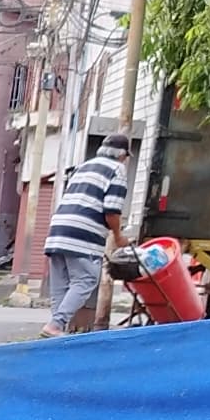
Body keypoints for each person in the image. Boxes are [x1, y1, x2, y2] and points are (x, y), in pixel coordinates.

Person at [40, 133, 136, 335]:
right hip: (83, 233)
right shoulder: (117, 170)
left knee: (61, 284)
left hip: (58, 229)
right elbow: (111, 211)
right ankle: (56, 325)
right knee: (86, 280)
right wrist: (118, 236)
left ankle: (55, 331)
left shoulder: (83, 166)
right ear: (122, 155)